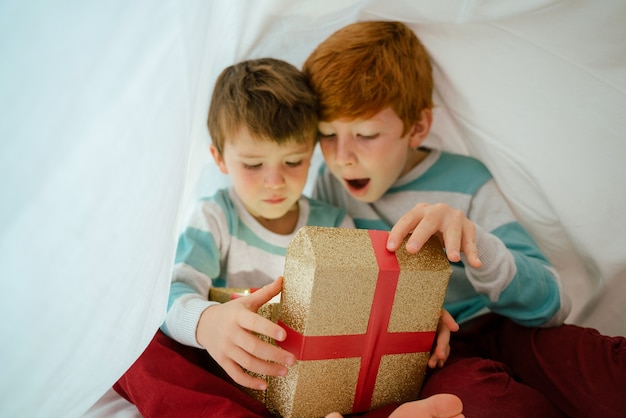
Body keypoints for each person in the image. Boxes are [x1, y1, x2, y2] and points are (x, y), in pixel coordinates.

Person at [303, 21, 626, 418]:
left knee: (604, 373)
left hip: (509, 326)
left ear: (417, 127)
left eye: (366, 134)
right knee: (474, 401)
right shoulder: (328, 189)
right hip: (438, 354)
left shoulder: (467, 181)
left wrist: (476, 244)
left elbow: (553, 305)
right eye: (327, 135)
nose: (342, 157)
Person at [113, 57, 465, 418]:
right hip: (235, 377)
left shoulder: (333, 222)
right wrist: (208, 324)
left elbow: (368, 300)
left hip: (317, 383)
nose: (275, 181)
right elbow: (171, 293)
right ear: (219, 158)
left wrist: (416, 319)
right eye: (253, 165)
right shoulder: (215, 216)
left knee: (371, 374)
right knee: (134, 349)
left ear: (311, 155)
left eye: (293, 161)